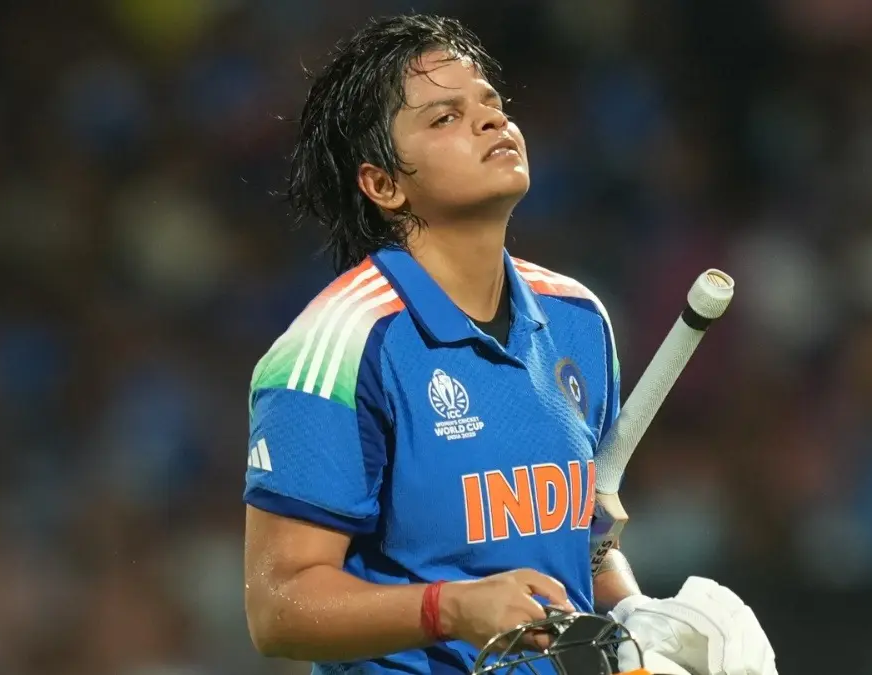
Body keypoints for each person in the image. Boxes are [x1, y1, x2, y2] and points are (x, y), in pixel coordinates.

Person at [243, 14, 776, 675]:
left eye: (490, 104)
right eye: (446, 117)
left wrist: (636, 614)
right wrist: (450, 608)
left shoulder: (579, 318)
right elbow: (278, 607)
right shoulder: (337, 348)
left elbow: (582, 539)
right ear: (383, 184)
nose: (491, 120)